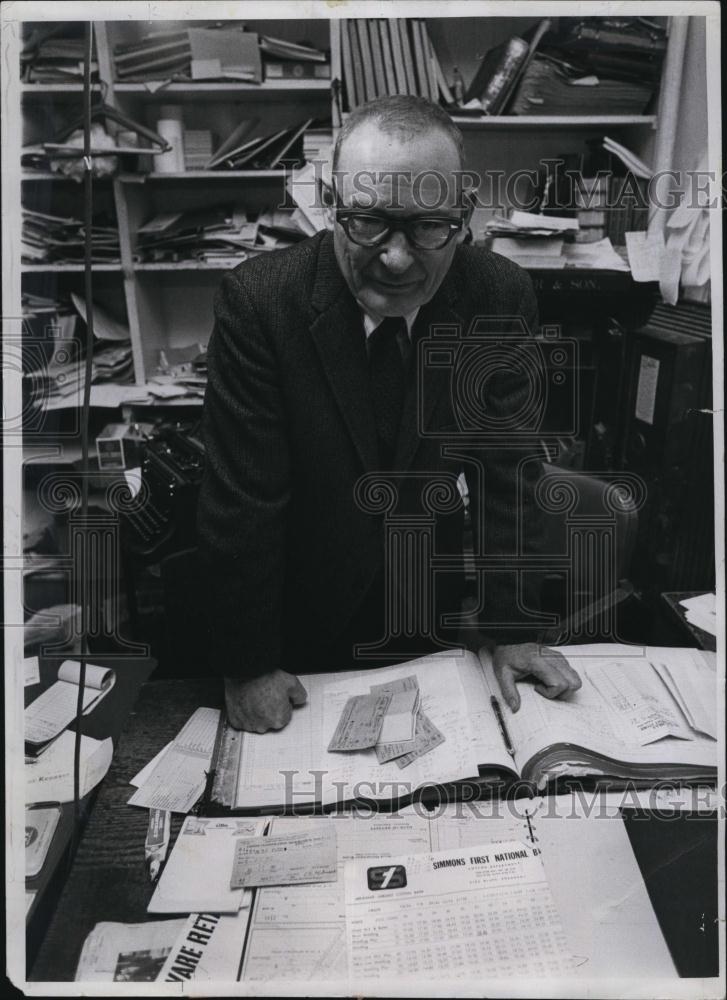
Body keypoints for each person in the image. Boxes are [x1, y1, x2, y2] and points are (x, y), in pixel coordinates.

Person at [198, 95, 581, 734]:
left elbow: (508, 478)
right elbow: (244, 502)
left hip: (424, 616)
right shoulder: (260, 303)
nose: (397, 258)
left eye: (430, 226)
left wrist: (512, 629)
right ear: (331, 203)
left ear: (464, 216)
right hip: (289, 624)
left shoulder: (497, 296)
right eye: (370, 222)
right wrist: (247, 663)